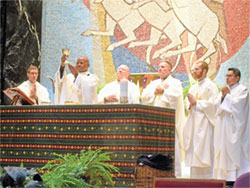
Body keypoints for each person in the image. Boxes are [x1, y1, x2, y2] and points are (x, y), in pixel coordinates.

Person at [141, 61, 186, 177]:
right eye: (159, 67)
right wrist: (155, 92)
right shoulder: (154, 83)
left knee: (172, 148)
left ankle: (175, 174)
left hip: (169, 121)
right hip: (155, 121)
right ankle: (156, 172)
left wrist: (164, 91)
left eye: (163, 67)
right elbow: (144, 97)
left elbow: (176, 98)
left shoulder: (175, 82)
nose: (160, 69)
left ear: (169, 69)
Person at [183, 61, 219, 179]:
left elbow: (214, 105)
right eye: (193, 69)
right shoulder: (193, 87)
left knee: (205, 153)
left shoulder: (211, 86)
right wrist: (190, 104)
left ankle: (208, 182)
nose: (194, 71)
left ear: (204, 71)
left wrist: (197, 103)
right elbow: (187, 103)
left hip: (205, 125)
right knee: (195, 153)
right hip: (194, 125)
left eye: (197, 69)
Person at [213, 68, 250, 181]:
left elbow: (239, 107)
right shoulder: (224, 91)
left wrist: (227, 96)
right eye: (226, 76)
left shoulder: (243, 90)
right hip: (224, 127)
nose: (227, 78)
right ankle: (224, 179)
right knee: (223, 151)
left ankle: (238, 179)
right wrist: (223, 97)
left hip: (235, 128)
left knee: (235, 152)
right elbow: (217, 106)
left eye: (230, 76)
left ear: (237, 77)